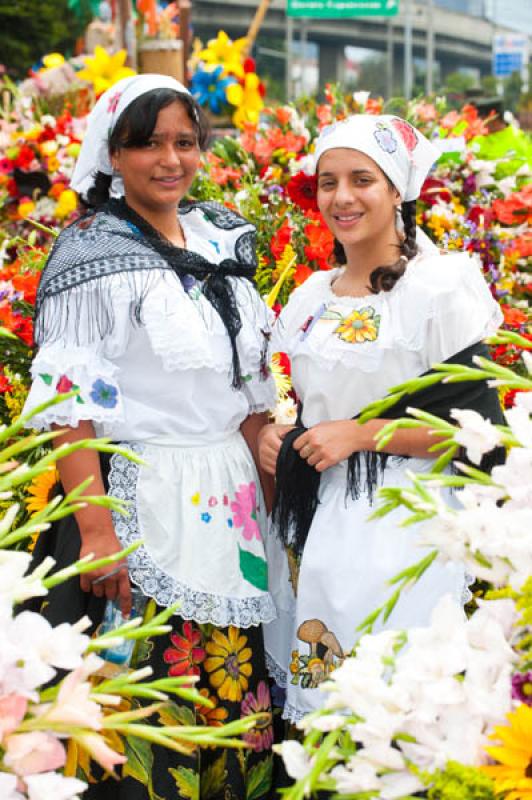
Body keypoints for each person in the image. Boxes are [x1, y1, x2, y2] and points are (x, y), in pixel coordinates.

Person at [23, 74, 277, 799]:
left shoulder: (220, 235)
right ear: (113, 153)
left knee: (238, 684)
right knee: (154, 684)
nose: (170, 160)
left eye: (185, 143)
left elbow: (246, 389)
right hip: (144, 497)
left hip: (229, 503)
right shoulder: (92, 254)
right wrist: (98, 532)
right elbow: (68, 407)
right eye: (149, 144)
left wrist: (277, 492)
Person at [258, 114, 504, 727]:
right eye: (327, 182)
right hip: (324, 534)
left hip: (415, 531)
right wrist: (283, 439)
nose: (341, 198)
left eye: (362, 179)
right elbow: (317, 414)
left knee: (407, 714)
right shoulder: (314, 296)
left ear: (398, 189)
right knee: (329, 721)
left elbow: (481, 434)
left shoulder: (438, 288)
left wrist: (364, 435)